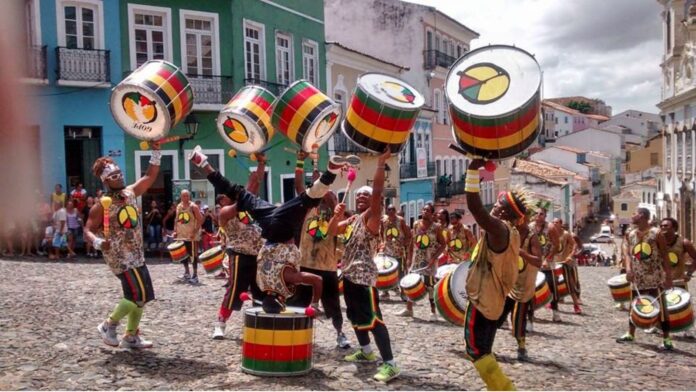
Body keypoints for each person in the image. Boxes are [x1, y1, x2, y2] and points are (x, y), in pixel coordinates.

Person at [191, 146, 348, 314]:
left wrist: (315, 304)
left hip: (281, 229)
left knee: (309, 197)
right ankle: (202, 162)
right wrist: (248, 190)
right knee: (234, 190)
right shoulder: (262, 283)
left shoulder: (286, 280)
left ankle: (331, 171)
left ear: (281, 300)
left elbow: (317, 280)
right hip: (268, 222)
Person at [462, 159, 532, 391]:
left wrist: (472, 171)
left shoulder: (500, 230)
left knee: (476, 351)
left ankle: (504, 389)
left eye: (497, 204)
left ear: (503, 210)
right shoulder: (511, 233)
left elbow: (475, 208)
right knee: (483, 350)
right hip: (493, 301)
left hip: (484, 301)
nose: (493, 206)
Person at [84, 148, 161, 349]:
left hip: (136, 254)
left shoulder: (130, 193)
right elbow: (88, 230)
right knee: (138, 295)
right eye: (114, 176)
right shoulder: (101, 205)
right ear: (106, 180)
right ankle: (108, 325)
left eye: (120, 174)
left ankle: (131, 336)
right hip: (119, 257)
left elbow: (149, 175)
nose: (119, 178)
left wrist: (156, 152)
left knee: (142, 298)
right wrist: (99, 242)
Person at [335, 151, 400, 383]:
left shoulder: (373, 218)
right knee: (354, 317)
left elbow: (378, 194)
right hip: (349, 276)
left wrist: (381, 164)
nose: (362, 196)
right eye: (359, 194)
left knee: (374, 320)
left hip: (364, 277)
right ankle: (365, 350)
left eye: (366, 195)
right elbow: (332, 231)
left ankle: (391, 364)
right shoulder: (353, 221)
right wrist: (336, 215)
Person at [287, 151, 350, 348]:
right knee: (299, 302)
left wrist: (332, 200)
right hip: (305, 263)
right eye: (322, 196)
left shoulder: (339, 216)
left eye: (329, 197)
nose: (325, 198)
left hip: (328, 266)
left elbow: (341, 223)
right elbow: (298, 185)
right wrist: (299, 161)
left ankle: (340, 334)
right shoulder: (309, 209)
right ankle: (294, 334)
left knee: (333, 306)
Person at [211, 159, 267, 339]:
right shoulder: (224, 212)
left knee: (260, 289)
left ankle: (258, 323)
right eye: (225, 196)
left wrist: (261, 164)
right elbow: (249, 192)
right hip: (239, 254)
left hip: (258, 254)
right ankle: (220, 323)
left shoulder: (246, 205)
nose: (227, 197)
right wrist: (250, 184)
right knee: (235, 289)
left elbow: (256, 185)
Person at [616, 208, 674, 350]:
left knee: (661, 307)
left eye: (634, 213)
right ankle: (630, 333)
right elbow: (628, 254)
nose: (632, 216)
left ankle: (666, 338)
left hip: (655, 276)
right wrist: (628, 269)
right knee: (634, 304)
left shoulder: (656, 233)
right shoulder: (630, 234)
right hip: (637, 277)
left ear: (641, 216)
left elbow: (665, 255)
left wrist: (668, 277)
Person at [497, 210, 542, 361]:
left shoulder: (532, 238)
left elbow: (538, 261)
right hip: (509, 282)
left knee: (518, 318)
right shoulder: (511, 234)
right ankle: (485, 345)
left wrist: (522, 253)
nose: (517, 220)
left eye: (521, 217)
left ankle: (521, 347)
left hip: (524, 286)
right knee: (495, 315)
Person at [398, 203, 446, 320]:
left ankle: (433, 312)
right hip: (417, 258)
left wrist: (434, 258)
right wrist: (409, 258)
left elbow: (443, 244)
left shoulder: (436, 227)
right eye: (424, 210)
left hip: (430, 260)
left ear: (432, 213)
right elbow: (412, 242)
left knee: (430, 285)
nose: (425, 212)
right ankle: (409, 309)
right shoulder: (416, 224)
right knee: (411, 282)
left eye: (428, 210)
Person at [658, 217, 696, 337]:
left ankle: (687, 329)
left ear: (674, 228)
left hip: (678, 279)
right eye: (662, 226)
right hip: (661, 279)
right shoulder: (657, 242)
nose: (663, 228)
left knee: (682, 305)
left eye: (666, 226)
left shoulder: (684, 243)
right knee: (660, 304)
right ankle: (656, 326)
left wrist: (689, 273)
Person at [531, 205, 562, 322]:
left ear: (545, 216)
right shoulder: (530, 227)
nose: (538, 216)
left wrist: (547, 258)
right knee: (531, 287)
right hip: (534, 261)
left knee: (552, 285)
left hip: (547, 262)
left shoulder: (550, 228)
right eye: (536, 214)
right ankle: (531, 311)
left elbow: (556, 244)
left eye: (541, 214)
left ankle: (555, 311)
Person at [379, 203, 412, 300]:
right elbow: (381, 233)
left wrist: (404, 244)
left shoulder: (400, 220)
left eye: (393, 209)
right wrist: (382, 243)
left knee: (401, 272)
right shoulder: (383, 221)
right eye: (389, 209)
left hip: (399, 251)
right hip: (387, 251)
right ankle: (385, 292)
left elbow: (408, 234)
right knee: (386, 271)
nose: (391, 211)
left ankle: (403, 292)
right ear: (386, 211)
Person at [174, 190, 203, 284]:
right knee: (183, 254)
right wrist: (175, 230)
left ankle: (195, 275)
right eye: (183, 196)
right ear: (181, 197)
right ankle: (187, 273)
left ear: (189, 197)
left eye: (187, 196)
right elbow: (177, 218)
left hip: (192, 236)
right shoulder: (179, 206)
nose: (185, 197)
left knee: (193, 255)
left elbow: (200, 219)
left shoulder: (193, 207)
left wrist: (194, 232)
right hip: (182, 235)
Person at [553, 219, 582, 314]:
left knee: (570, 284)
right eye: (553, 222)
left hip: (564, 262)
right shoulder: (551, 233)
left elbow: (575, 245)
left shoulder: (566, 234)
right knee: (553, 284)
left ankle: (576, 304)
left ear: (560, 224)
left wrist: (570, 256)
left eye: (556, 223)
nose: (554, 224)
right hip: (554, 263)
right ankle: (553, 303)